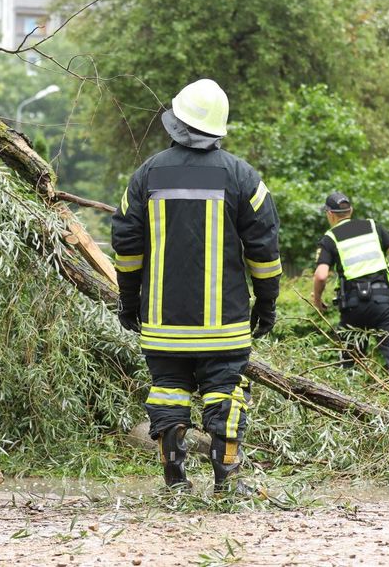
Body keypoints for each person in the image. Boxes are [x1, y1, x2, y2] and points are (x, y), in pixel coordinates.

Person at [111, 79, 281, 494]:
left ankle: (175, 481)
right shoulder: (243, 177)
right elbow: (264, 250)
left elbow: (126, 248)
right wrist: (267, 304)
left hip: (163, 323)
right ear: (218, 128)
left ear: (176, 122)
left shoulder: (146, 175)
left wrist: (129, 302)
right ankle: (227, 480)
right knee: (225, 391)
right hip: (224, 323)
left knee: (168, 391)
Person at [311, 192, 389, 378]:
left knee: (349, 364)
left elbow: (321, 276)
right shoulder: (373, 227)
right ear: (350, 210)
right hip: (384, 304)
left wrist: (318, 300)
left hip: (353, 309)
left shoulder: (330, 238)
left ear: (330, 214)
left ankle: (344, 401)